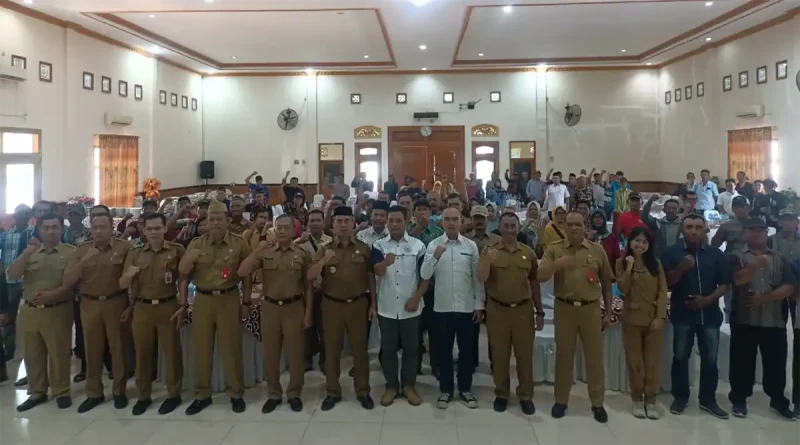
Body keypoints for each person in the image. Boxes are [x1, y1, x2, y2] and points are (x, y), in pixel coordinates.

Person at [538, 210, 613, 423]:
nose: (573, 228)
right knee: (564, 357)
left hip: (591, 309)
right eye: (569, 224)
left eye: (578, 224)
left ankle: (597, 403)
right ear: (564, 226)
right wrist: (557, 265)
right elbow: (540, 276)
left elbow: (607, 282)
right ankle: (561, 401)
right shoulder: (555, 249)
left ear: (585, 226)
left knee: (594, 358)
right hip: (565, 309)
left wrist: (608, 312)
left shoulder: (597, 251)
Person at [179, 199, 252, 415]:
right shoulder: (196, 244)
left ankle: (236, 393)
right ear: (206, 221)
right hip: (203, 300)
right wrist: (189, 259)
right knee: (202, 349)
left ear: (227, 220)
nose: (215, 223)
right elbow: (183, 272)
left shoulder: (240, 243)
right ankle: (202, 394)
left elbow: (247, 277)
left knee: (232, 349)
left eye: (219, 219)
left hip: (229, 299)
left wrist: (246, 302)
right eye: (211, 219)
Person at [239, 214, 312, 413]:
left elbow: (308, 286)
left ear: (294, 230)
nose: (282, 231)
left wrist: (308, 313)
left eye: (286, 227)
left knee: (295, 354)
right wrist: (257, 250)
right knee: (271, 355)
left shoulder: (302, 253)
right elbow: (242, 272)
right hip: (270, 308)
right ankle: (273, 394)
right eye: (278, 227)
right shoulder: (265, 252)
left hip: (294, 307)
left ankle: (294, 393)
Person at [62, 213, 133, 413]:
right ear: (90, 229)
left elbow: (131, 279)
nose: (99, 231)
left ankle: (119, 391)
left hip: (116, 302)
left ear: (112, 228)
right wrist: (84, 261)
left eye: (103, 227)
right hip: (89, 303)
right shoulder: (81, 250)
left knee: (118, 349)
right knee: (92, 350)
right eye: (95, 227)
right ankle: (94, 393)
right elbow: (67, 280)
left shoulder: (124, 247)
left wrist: (131, 305)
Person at [307, 206, 376, 411]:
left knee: (360, 350)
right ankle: (332, 392)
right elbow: (310, 275)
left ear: (353, 224)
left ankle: (363, 391)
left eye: (347, 221)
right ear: (333, 224)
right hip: (332, 305)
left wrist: (374, 304)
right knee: (331, 350)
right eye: (339, 221)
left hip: (358, 305)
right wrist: (324, 261)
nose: (343, 225)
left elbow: (371, 278)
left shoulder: (364, 248)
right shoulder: (325, 249)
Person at [727, 217, 795, 420]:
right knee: (741, 362)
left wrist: (765, 298)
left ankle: (778, 400)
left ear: (767, 233)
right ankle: (739, 399)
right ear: (745, 233)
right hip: (743, 318)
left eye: (761, 230)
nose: (757, 233)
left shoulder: (781, 258)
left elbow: (790, 286)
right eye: (752, 230)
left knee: (776, 363)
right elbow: (736, 280)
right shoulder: (735, 256)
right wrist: (754, 266)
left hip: (774, 319)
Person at [662, 214, 729, 418]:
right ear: (682, 230)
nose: (693, 231)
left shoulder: (716, 254)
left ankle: (708, 400)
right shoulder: (672, 253)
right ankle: (680, 397)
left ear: (705, 230)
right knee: (680, 357)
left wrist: (707, 300)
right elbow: (667, 283)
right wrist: (681, 269)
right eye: (689, 227)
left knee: (710, 359)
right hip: (683, 315)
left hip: (710, 315)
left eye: (698, 227)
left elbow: (725, 284)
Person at [119, 213, 186, 416]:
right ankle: (143, 395)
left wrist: (183, 303)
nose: (154, 232)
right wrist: (129, 275)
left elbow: (184, 278)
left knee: (172, 352)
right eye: (150, 229)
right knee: (142, 353)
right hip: (142, 308)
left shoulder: (176, 250)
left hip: (168, 305)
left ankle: (173, 394)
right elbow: (122, 283)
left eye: (158, 228)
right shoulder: (136, 252)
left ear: (165, 229)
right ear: (144, 230)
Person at [477, 212, 543, 415]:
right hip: (497, 310)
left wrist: (539, 311)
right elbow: (481, 278)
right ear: (500, 227)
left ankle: (526, 395)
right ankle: (502, 394)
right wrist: (488, 261)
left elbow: (534, 282)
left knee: (524, 356)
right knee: (499, 355)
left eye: (513, 226)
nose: (509, 230)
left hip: (523, 310)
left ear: (518, 227)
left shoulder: (528, 253)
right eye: (505, 226)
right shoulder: (490, 251)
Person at [8, 213, 75, 411]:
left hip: (57, 310)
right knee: (32, 353)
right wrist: (26, 253)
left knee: (59, 353)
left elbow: (71, 283)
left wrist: (52, 295)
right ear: (39, 230)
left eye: (55, 227)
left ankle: (61, 391)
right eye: (46, 227)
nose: (51, 231)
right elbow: (13, 275)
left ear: (61, 229)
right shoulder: (30, 252)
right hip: (29, 311)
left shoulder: (71, 253)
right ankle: (37, 391)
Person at [421, 208, 485, 410]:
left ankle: (465, 389)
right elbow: (424, 274)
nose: (451, 223)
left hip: (466, 308)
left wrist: (479, 304)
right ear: (441, 222)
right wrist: (434, 257)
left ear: (461, 221)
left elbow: (477, 278)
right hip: (442, 308)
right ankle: (446, 390)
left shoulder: (470, 246)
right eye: (447, 219)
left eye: (454, 219)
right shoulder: (434, 245)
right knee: (443, 352)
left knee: (466, 352)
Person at [372, 205, 427, 406]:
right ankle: (391, 386)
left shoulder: (418, 246)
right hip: (387, 307)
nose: (394, 224)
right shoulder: (378, 245)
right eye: (391, 220)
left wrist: (416, 299)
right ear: (387, 222)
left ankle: (409, 386)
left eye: (399, 220)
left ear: (406, 222)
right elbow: (376, 271)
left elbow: (425, 278)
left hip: (411, 307)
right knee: (388, 350)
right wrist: (385, 263)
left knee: (412, 349)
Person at [615, 227, 668, 419]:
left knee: (652, 362)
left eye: (645, 242)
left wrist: (660, 316)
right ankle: (637, 398)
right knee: (634, 361)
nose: (640, 245)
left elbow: (662, 291)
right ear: (630, 242)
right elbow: (623, 289)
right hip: (632, 319)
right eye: (637, 241)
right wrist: (630, 267)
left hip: (653, 319)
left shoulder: (656, 264)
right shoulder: (621, 263)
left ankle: (651, 399)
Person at [298, 209, 332, 370]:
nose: (315, 223)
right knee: (306, 328)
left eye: (318, 220)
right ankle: (306, 359)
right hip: (306, 292)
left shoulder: (331, 242)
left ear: (324, 223)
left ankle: (325, 361)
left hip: (326, 292)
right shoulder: (301, 244)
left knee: (325, 329)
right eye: (312, 220)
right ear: (307, 224)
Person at [0, 204, 35, 360]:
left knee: (31, 317)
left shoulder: (34, 234)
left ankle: (30, 350)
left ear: (29, 216)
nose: (23, 216)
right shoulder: (6, 235)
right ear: (15, 216)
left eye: (26, 214)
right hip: (10, 281)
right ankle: (9, 351)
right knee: (8, 316)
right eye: (20, 214)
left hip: (30, 281)